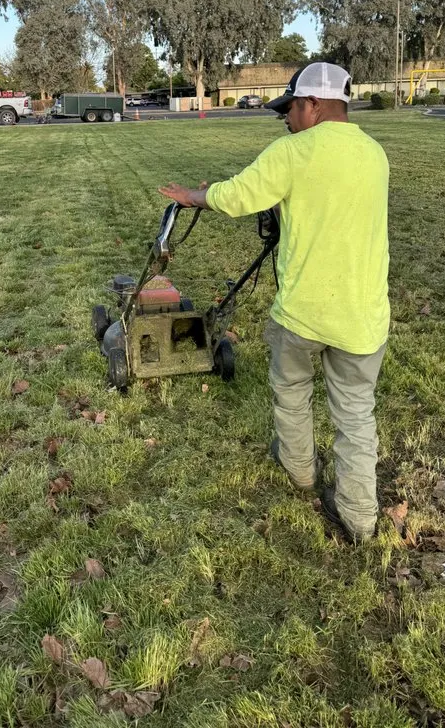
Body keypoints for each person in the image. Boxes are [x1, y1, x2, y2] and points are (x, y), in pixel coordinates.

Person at [159, 62, 389, 543]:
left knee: (291, 394)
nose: (285, 118)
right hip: (362, 318)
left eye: (289, 108)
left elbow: (237, 196)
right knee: (355, 416)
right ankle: (360, 518)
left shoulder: (290, 152)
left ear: (314, 105)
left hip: (303, 314)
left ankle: (300, 472)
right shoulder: (374, 155)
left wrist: (192, 196)